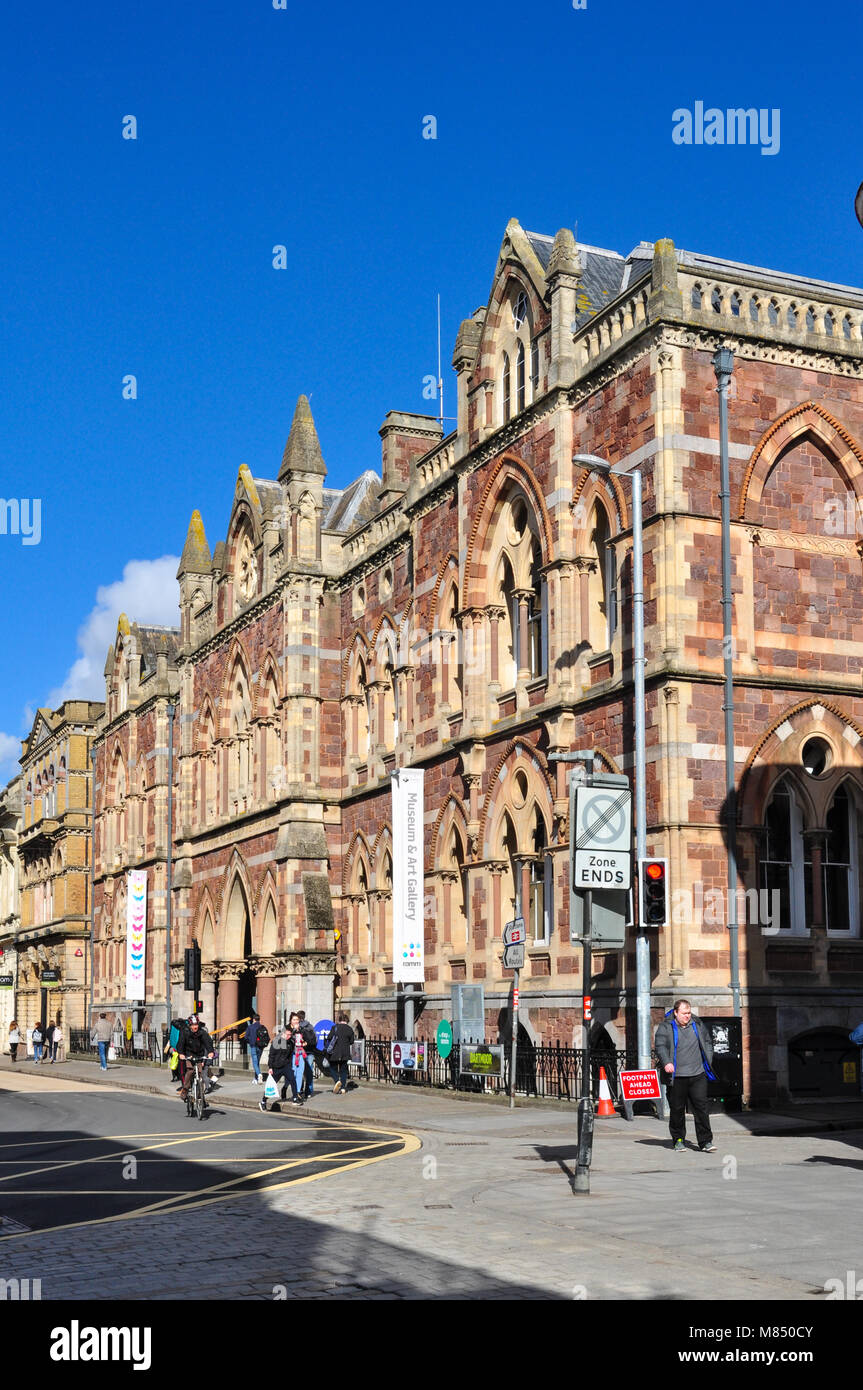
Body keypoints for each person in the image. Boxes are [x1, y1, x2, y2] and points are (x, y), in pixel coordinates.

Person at [655, 999, 716, 1153]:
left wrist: (707, 1060)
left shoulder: (697, 1024)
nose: (687, 1016)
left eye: (689, 1013)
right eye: (684, 1013)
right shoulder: (666, 1027)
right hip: (676, 1077)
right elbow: (660, 1046)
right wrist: (666, 1062)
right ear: (676, 1012)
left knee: (701, 1108)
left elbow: (708, 1042)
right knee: (677, 1109)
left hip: (698, 1074)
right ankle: (678, 1140)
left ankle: (705, 1141)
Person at [259, 1024, 301, 1111]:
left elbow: (289, 1055)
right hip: (276, 1067)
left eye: (290, 1035)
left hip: (286, 1066)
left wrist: (290, 1066)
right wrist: (270, 1067)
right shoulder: (276, 1041)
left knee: (292, 1079)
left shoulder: (290, 1042)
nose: (289, 1036)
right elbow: (271, 1055)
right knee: (271, 1085)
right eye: (288, 1035)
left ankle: (295, 1098)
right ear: (283, 1033)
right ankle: (263, 1101)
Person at [178, 1018, 215, 1101]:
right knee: (190, 1070)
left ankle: (201, 1096)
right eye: (193, 1025)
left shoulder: (202, 1033)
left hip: (199, 1055)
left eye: (196, 1025)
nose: (195, 1027)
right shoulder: (185, 1032)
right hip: (188, 1055)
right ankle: (185, 1089)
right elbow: (180, 1043)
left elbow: (208, 1042)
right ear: (190, 1026)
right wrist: (181, 1053)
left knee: (200, 1073)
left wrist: (210, 1051)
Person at [324, 1013, 355, 1096]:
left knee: (332, 1068)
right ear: (346, 1020)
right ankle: (343, 1088)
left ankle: (337, 1080)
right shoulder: (349, 1029)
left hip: (334, 1052)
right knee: (343, 1070)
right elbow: (352, 1041)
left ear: (339, 1020)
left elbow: (329, 1038)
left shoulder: (334, 1028)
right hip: (345, 1053)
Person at [287, 1012, 312, 1102]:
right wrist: (294, 1030)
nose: (296, 1021)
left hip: (300, 1053)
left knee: (300, 1073)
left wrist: (305, 1042)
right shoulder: (287, 1028)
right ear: (290, 1020)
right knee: (292, 1074)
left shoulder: (301, 1029)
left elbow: (309, 1038)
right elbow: (284, 1040)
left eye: (297, 1019)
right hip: (290, 1054)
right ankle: (285, 1087)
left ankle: (296, 1092)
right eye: (294, 1019)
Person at [243, 1013, 269, 1086]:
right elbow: (267, 1037)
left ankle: (259, 1074)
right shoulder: (262, 1027)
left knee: (255, 1062)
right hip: (261, 1047)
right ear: (259, 1019)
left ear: (253, 1019)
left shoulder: (250, 1027)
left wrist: (250, 1041)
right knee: (257, 1062)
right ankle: (256, 1078)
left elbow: (245, 1037)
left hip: (253, 1046)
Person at [297, 1010, 318, 1098]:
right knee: (309, 1071)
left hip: (301, 1052)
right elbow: (315, 1040)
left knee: (300, 1072)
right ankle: (309, 1091)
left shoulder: (297, 1027)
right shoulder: (310, 1026)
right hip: (310, 1052)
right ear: (304, 1017)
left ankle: (299, 1090)